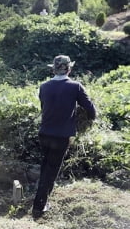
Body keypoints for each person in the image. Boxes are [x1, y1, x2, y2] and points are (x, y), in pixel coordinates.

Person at [32, 55, 97, 219]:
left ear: (53, 69)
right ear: (69, 69)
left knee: (45, 166)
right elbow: (91, 110)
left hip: (44, 133)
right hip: (60, 136)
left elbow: (44, 107)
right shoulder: (75, 86)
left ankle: (40, 199)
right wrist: (88, 118)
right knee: (52, 170)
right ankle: (39, 206)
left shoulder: (44, 86)